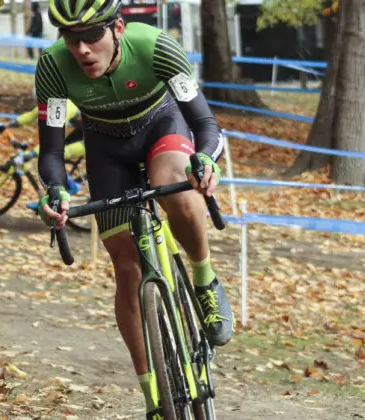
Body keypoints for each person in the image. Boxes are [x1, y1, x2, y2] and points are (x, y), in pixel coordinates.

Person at [34, 0, 234, 417]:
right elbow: (51, 152)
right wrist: (54, 190)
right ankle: (152, 394)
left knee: (175, 189)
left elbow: (205, 124)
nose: (82, 49)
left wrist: (208, 161)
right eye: (72, 39)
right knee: (126, 268)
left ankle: (204, 279)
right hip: (106, 148)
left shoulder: (158, 47)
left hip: (162, 126)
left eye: (92, 36)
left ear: (118, 28)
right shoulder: (53, 67)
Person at [0, 93, 84, 212]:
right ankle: (57, 190)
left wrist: (29, 155)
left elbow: (52, 140)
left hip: (95, 137)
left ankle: (71, 186)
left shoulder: (64, 107)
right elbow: (30, 116)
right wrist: (4, 125)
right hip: (82, 131)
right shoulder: (51, 100)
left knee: (53, 156)